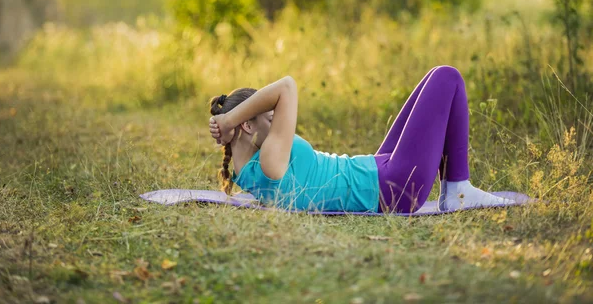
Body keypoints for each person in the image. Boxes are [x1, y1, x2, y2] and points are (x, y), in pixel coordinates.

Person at [208, 66, 514, 214]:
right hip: (393, 188)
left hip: (378, 170)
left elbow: (279, 95)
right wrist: (229, 119)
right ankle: (458, 189)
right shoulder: (267, 162)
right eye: (270, 119)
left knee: (435, 75)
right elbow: (287, 86)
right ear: (247, 126)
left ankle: (458, 187)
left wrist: (232, 122)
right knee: (447, 77)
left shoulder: (248, 166)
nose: (278, 124)